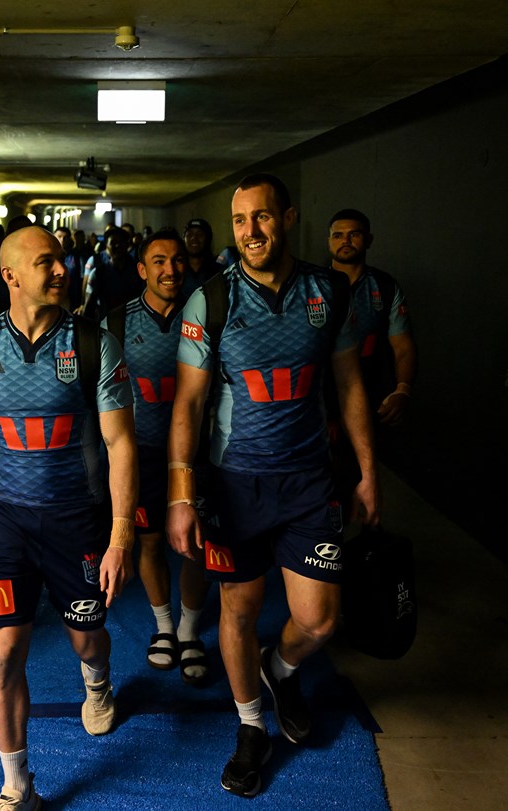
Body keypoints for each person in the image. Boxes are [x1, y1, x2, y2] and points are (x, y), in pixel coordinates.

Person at [166, 174, 380, 798]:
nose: (250, 233)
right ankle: (250, 725)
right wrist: (181, 494)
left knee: (318, 620)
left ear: (287, 218)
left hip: (311, 483)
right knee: (239, 608)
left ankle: (277, 667)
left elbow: (348, 386)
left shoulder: (325, 291)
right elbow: (188, 403)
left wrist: (368, 471)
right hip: (236, 486)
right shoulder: (212, 299)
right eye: (239, 222)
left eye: (261, 218)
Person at [0, 226, 138, 810]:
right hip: (6, 523)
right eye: (45, 261)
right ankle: (17, 787)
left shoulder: (96, 344)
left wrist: (121, 537)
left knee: (86, 639)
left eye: (60, 260)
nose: (60, 270)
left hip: (78, 521)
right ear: (11, 275)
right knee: (5, 653)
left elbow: (121, 444)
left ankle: (97, 683)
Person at [103, 228, 211, 685]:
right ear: (143, 270)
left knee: (195, 544)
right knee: (147, 542)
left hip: (193, 454)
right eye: (159, 262)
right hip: (141, 452)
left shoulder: (204, 313)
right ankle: (164, 626)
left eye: (178, 260)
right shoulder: (118, 322)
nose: (171, 270)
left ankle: (189, 631)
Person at [326, 209, 417, 497]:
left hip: (370, 399)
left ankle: (369, 535)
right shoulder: (311, 285)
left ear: (369, 240)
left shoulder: (385, 287)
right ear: (329, 241)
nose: (345, 241)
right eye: (338, 235)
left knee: (366, 481)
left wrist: (402, 389)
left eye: (354, 234)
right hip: (321, 401)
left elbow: (402, 346)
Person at [80, 226, 143, 320]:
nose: (117, 245)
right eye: (113, 242)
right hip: (106, 326)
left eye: (121, 242)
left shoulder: (139, 271)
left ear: (127, 244)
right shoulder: (98, 273)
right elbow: (89, 307)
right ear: (106, 245)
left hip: (135, 323)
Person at [181, 218, 222, 299]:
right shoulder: (177, 270)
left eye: (200, 234)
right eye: (189, 234)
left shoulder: (219, 272)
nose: (194, 238)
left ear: (208, 239)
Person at [54, 225, 83, 311]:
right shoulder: (48, 256)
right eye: (59, 237)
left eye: (65, 237)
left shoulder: (77, 256)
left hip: (72, 297)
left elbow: (82, 279)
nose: (62, 240)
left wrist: (82, 302)